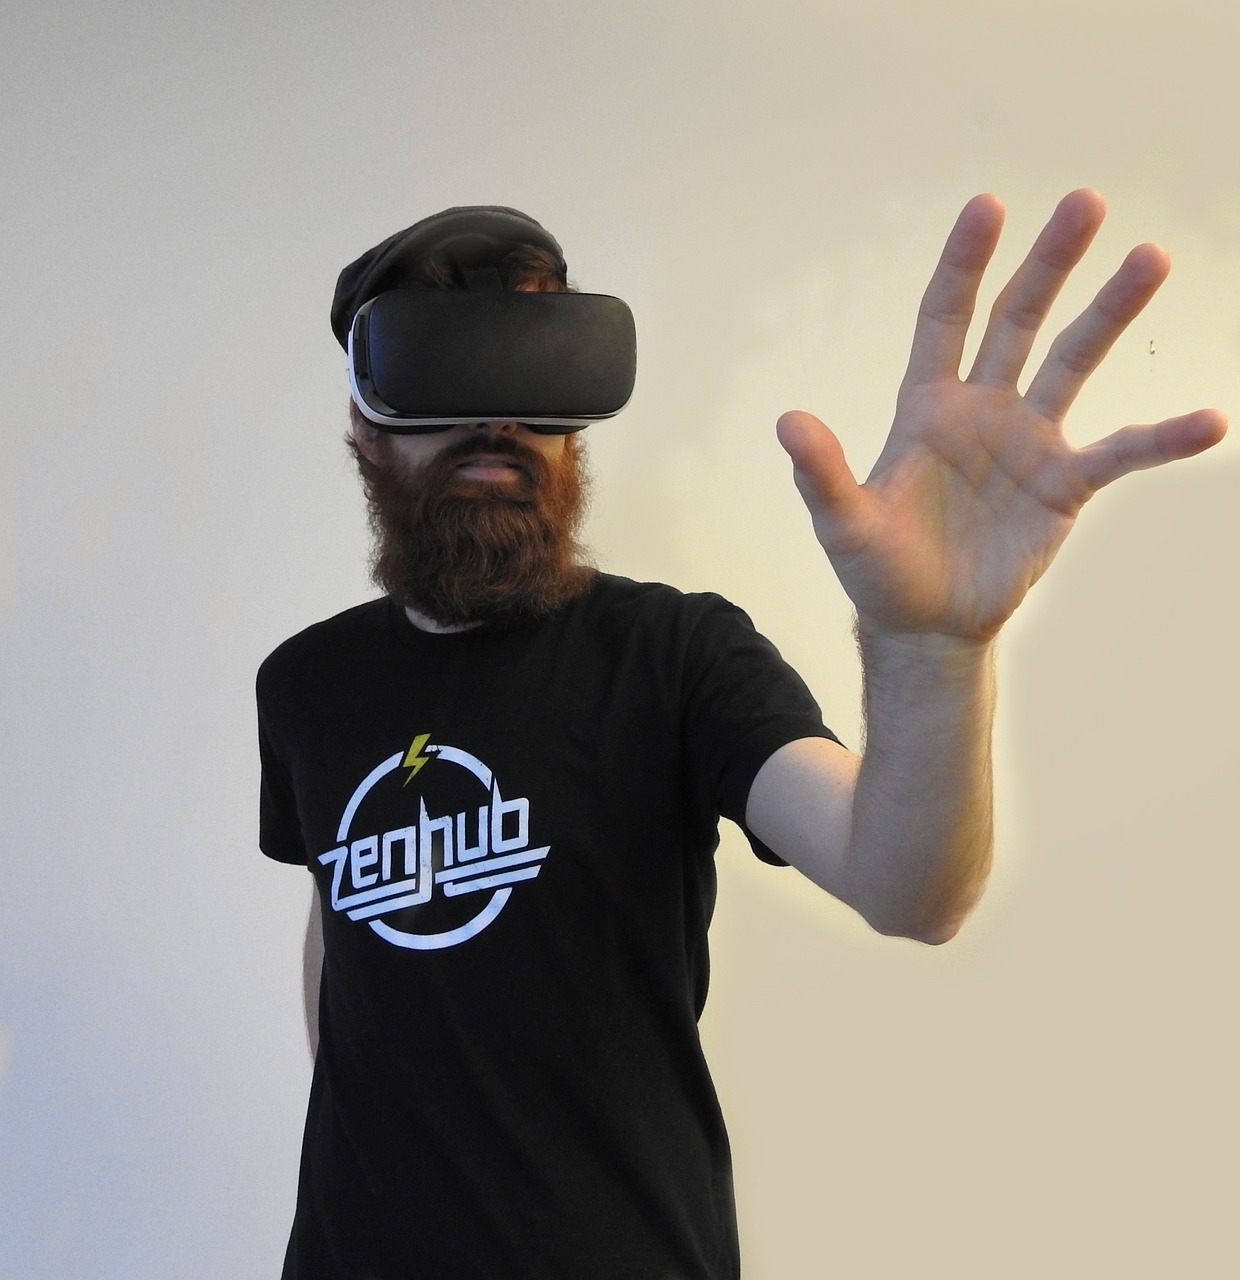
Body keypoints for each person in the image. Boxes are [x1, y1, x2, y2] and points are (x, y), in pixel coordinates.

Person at [256, 192, 1227, 1279]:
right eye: (444, 373)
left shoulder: (675, 654)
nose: (497, 421)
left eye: (533, 372)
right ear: (364, 425)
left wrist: (933, 650)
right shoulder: (305, 685)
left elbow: (909, 887)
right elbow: (342, 923)